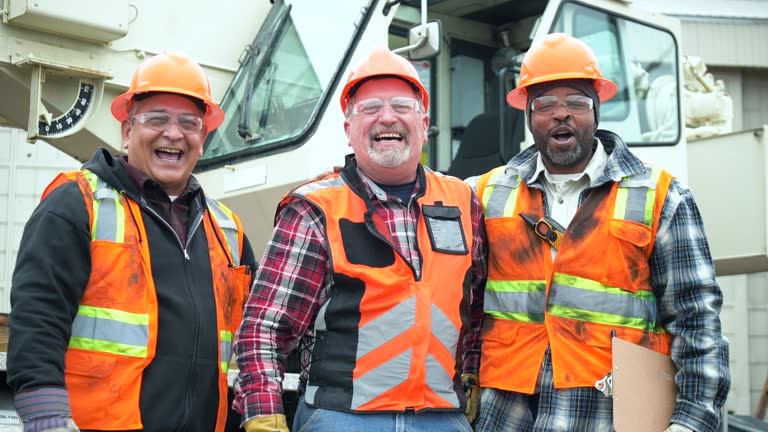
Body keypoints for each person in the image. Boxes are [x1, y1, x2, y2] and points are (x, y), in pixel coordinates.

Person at [468, 33, 730, 432]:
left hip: (609, 414)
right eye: (545, 104)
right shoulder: (485, 193)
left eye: (577, 102)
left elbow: (696, 318)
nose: (561, 114)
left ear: (597, 110)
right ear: (527, 114)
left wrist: (692, 420)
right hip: (507, 415)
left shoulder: (662, 196)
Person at [232, 45, 487, 432]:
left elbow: (479, 311)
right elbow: (264, 328)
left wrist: (471, 376)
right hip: (340, 419)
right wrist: (264, 415)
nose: (387, 117)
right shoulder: (315, 207)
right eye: (370, 108)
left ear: (424, 122)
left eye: (402, 106)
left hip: (442, 417)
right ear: (349, 130)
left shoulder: (463, 202)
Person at [7, 51, 256, 432]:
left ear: (202, 139)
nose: (173, 133)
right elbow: (38, 319)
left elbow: (260, 331)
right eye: (157, 119)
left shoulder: (228, 231)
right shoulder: (78, 205)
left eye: (189, 123)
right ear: (127, 132)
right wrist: (46, 417)